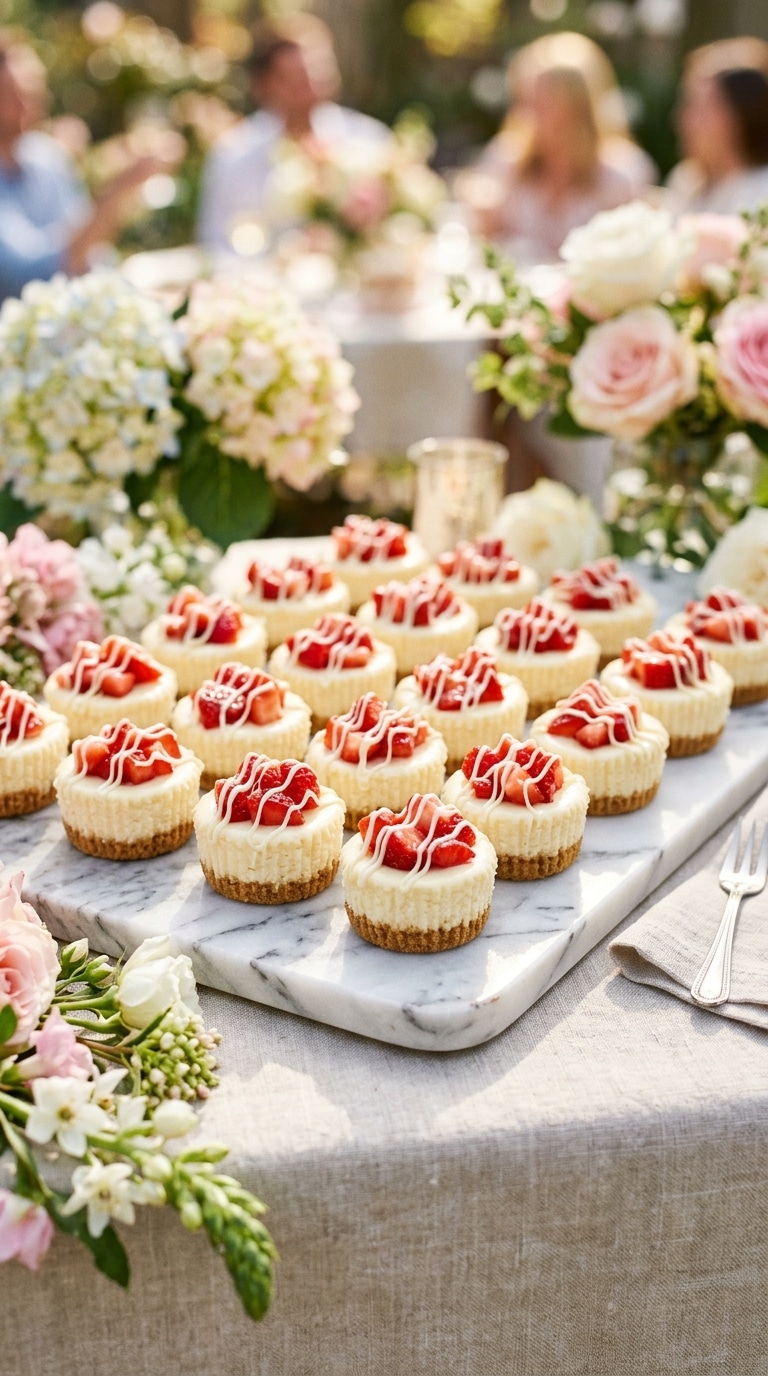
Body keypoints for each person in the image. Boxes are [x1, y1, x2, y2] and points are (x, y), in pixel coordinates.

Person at [0, 38, 178, 303]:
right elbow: (30, 275)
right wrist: (120, 188)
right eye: (15, 94)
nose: (30, 104)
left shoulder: (46, 156)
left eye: (35, 91)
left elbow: (92, 252)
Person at [196, 16, 390, 255]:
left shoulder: (370, 141)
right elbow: (215, 246)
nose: (311, 85)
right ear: (263, 85)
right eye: (295, 78)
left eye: (319, 71)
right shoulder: (234, 155)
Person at [462, 31, 654, 265]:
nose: (528, 115)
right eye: (525, 100)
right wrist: (485, 223)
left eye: (543, 102)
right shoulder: (505, 159)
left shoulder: (623, 175)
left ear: (578, 110)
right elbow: (484, 251)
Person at [666, 38, 768, 217]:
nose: (681, 119)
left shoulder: (762, 192)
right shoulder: (685, 180)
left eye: (695, 105)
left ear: (737, 117)